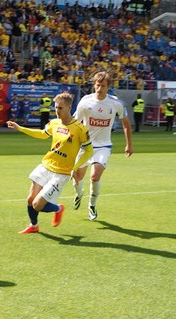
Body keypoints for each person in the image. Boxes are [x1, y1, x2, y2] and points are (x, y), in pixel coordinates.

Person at [7, 92, 93, 234]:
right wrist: (19, 128)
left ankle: (58, 208)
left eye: (60, 108)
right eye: (56, 108)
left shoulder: (80, 129)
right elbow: (42, 134)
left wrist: (75, 168)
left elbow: (89, 151)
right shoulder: (54, 123)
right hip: (46, 165)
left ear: (69, 108)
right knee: (30, 199)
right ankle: (33, 226)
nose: (57, 111)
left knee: (37, 204)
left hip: (61, 173)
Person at [71, 71, 133, 221]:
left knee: (94, 175)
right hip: (84, 146)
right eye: (97, 85)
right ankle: (79, 194)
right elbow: (75, 123)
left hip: (103, 146)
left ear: (108, 87)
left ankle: (92, 206)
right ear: (94, 85)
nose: (99, 88)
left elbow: (126, 123)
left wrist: (128, 145)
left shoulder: (115, 103)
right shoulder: (85, 102)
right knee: (77, 177)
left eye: (103, 86)